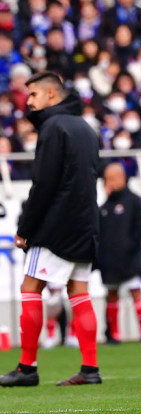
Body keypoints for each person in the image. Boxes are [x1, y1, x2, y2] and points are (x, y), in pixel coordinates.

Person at [0, 72, 101, 387]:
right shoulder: (84, 127)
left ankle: (27, 368)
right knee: (79, 292)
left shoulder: (53, 128)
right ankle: (90, 369)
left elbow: (43, 184)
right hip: (85, 223)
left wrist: (25, 227)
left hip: (57, 225)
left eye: (32, 95)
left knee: (31, 289)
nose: (28, 102)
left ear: (51, 95)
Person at [97, 162, 141, 344]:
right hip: (109, 261)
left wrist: (129, 247)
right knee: (112, 294)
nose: (109, 183)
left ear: (122, 178)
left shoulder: (134, 201)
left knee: (136, 291)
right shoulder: (103, 207)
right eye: (106, 179)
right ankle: (114, 335)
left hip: (129, 258)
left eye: (112, 179)